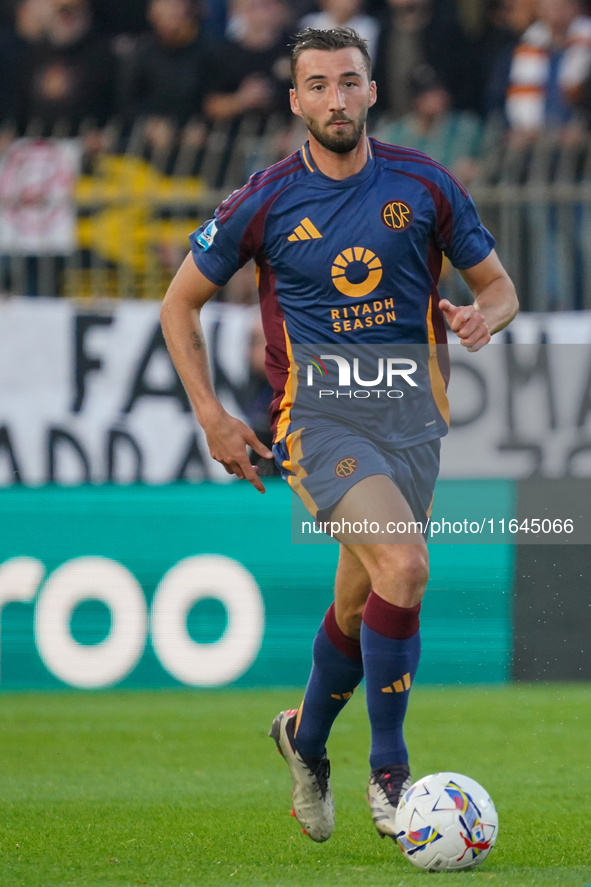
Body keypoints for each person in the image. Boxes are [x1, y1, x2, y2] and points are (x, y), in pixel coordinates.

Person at [160, 27, 518, 842]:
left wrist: (477, 316)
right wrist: (213, 415)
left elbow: (498, 289)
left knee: (362, 601)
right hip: (316, 418)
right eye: (316, 85)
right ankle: (389, 774)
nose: (335, 98)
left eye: (348, 82)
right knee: (405, 562)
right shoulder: (264, 198)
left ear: (370, 92)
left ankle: (304, 738)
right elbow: (178, 303)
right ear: (295, 101)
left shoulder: (424, 184)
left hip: (413, 418)